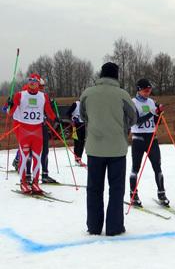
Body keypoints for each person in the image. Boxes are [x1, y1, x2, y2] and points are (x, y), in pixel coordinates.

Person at [80, 62, 137, 236]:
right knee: (116, 189)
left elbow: (83, 116)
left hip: (95, 149)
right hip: (117, 150)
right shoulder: (122, 95)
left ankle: (94, 227)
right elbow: (133, 118)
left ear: (101, 74)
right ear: (116, 76)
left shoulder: (88, 94)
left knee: (94, 189)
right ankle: (114, 227)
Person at [7, 74, 60, 194]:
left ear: (38, 83)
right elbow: (9, 112)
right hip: (24, 130)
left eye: (34, 80)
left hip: (37, 131)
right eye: (29, 80)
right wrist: (8, 105)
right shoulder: (20, 95)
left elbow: (49, 111)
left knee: (37, 157)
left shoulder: (43, 96)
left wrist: (56, 119)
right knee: (25, 157)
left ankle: (35, 183)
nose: (31, 82)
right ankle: (23, 183)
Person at [129, 78, 169, 207]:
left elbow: (158, 122)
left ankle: (162, 194)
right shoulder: (132, 103)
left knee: (157, 167)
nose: (148, 93)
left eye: (149, 91)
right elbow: (136, 121)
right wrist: (152, 113)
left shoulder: (152, 102)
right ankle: (133, 195)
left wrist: (158, 114)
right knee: (135, 168)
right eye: (145, 91)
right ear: (139, 90)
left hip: (152, 138)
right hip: (138, 139)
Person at [67, 100, 86, 165]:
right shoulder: (76, 104)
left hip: (83, 124)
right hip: (76, 125)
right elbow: (68, 113)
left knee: (82, 142)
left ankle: (79, 158)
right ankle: (76, 159)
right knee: (77, 142)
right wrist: (73, 117)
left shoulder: (87, 104)